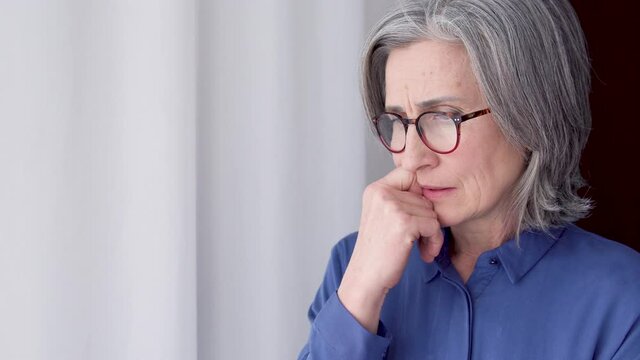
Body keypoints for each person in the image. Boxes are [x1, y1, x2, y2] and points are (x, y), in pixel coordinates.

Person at [297, 0, 640, 359]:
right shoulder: (353, 264)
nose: (412, 158)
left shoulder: (622, 300)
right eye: (397, 120)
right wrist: (361, 292)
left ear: (532, 117)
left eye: (444, 117)